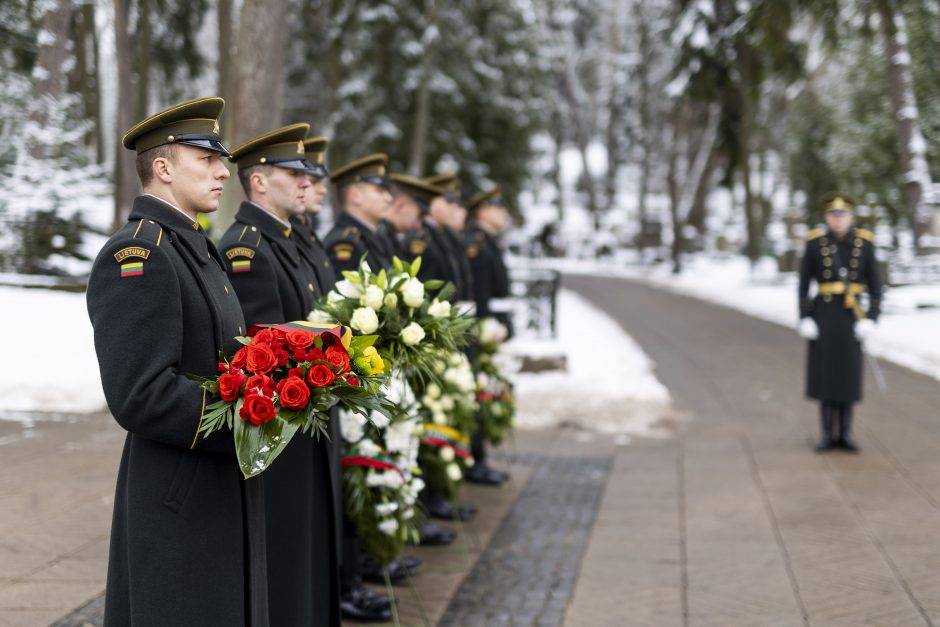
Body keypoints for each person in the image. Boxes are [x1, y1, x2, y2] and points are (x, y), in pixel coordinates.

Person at [86, 97, 269, 625]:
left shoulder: (193, 245)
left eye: (222, 160)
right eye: (206, 161)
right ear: (162, 169)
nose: (222, 172)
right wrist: (245, 415)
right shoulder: (140, 255)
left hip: (217, 483)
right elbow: (140, 394)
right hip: (179, 489)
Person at [217, 123, 339, 626]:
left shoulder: (288, 239)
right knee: (287, 552)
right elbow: (263, 346)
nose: (307, 182)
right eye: (294, 173)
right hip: (283, 423)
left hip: (310, 415)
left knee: (310, 546)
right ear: (261, 182)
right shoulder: (248, 247)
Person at [798, 192, 882, 453]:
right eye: (833, 215)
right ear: (826, 217)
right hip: (824, 316)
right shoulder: (815, 243)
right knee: (826, 375)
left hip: (850, 318)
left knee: (847, 375)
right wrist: (805, 317)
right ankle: (825, 433)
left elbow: (877, 287)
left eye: (842, 214)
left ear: (850, 216)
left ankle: (845, 432)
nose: (838, 219)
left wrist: (871, 318)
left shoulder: (864, 244)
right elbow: (802, 286)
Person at [464, 185, 514, 485]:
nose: (503, 212)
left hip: (493, 331)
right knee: (480, 394)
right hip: (484, 333)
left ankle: (479, 456)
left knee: (488, 393)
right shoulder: (477, 245)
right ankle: (475, 459)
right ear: (482, 211)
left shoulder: (488, 242)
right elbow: (480, 296)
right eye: (498, 206)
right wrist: (486, 330)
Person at [324, 154, 396, 273]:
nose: (389, 198)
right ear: (355, 195)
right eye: (380, 191)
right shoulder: (345, 243)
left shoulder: (377, 236)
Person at [425, 171, 474, 302]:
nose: (454, 208)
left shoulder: (446, 236)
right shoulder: (423, 237)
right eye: (448, 201)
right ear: (432, 201)